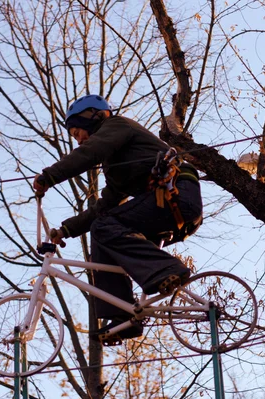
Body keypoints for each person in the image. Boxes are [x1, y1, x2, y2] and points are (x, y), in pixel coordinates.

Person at [34, 94, 203, 345]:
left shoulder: (117, 126)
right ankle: (122, 317)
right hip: (166, 207)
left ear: (95, 116)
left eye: (78, 131)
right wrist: (68, 229)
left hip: (176, 198)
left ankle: (167, 269)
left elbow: (91, 152)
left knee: (103, 227)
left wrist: (50, 176)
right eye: (74, 136)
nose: (78, 139)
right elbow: (104, 207)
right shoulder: (116, 164)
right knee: (102, 227)